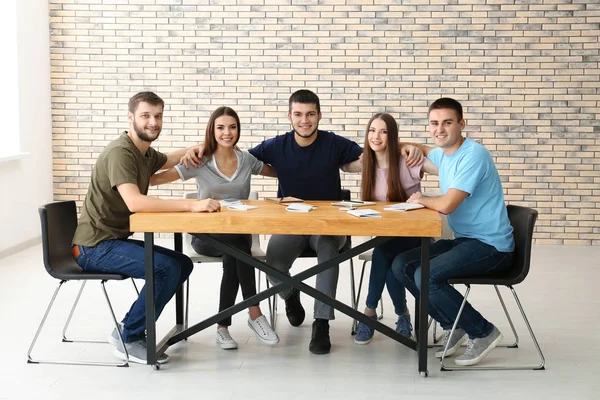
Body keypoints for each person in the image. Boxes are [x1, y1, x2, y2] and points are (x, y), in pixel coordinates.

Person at [182, 90, 423, 355]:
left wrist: (406, 146)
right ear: (290, 117)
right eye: (298, 114)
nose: (304, 120)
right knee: (272, 263)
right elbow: (233, 156)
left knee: (329, 252)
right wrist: (199, 149)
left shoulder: (334, 143)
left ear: (319, 116)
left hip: (329, 229)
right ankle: (290, 294)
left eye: (310, 114)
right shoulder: (276, 146)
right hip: (290, 227)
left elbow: (373, 151)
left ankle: (322, 322)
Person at [71, 91, 222, 365]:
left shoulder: (143, 152)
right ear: (131, 117)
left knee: (182, 263)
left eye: (158, 116)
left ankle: (126, 329)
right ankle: (129, 337)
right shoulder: (121, 153)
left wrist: (193, 150)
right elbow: (135, 202)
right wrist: (192, 205)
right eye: (145, 116)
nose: (153, 122)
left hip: (112, 240)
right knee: (166, 268)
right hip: (93, 246)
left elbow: (168, 160)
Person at [391, 97, 514, 366]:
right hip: (465, 240)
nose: (440, 129)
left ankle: (483, 331)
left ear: (461, 124)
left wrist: (421, 197)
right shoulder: (443, 154)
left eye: (447, 122)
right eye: (434, 123)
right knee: (402, 265)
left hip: (492, 247)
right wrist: (403, 146)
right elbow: (423, 148)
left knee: (427, 274)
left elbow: (447, 205)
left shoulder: (474, 155)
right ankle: (454, 325)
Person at [150, 106, 280, 350]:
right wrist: (180, 154)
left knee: (236, 250)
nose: (227, 133)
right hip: (205, 236)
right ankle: (254, 312)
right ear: (212, 130)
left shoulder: (246, 160)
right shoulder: (199, 161)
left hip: (237, 236)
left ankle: (222, 328)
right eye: (220, 127)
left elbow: (280, 171)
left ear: (238, 130)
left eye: (232, 127)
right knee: (238, 248)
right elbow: (154, 179)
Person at [343, 113, 437, 345]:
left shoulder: (408, 161)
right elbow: (343, 165)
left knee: (383, 252)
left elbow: (446, 165)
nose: (376, 136)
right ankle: (402, 315)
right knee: (387, 254)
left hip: (416, 238)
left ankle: (369, 312)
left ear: (392, 136)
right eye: (372, 130)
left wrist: (416, 147)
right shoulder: (366, 162)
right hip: (386, 238)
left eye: (384, 131)